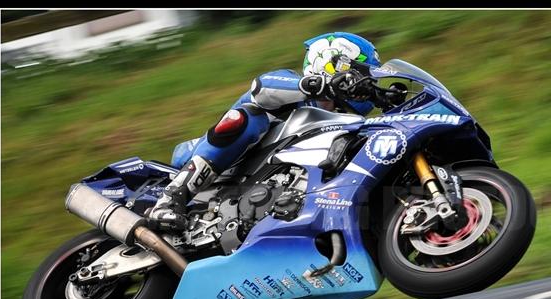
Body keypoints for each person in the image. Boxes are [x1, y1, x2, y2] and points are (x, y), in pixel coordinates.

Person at [148, 32, 381, 231]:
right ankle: (170, 199)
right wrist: (313, 86)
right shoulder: (291, 86)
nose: (365, 83)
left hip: (271, 188)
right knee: (248, 117)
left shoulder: (344, 122)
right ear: (332, 64)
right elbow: (261, 87)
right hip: (221, 164)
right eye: (361, 74)